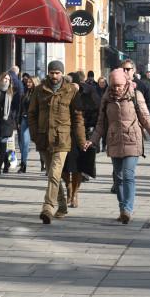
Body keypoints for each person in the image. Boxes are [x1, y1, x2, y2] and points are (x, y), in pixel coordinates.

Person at [89, 68, 150, 224]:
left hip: (132, 139)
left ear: (126, 82)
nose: (116, 88)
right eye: (113, 86)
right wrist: (92, 140)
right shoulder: (107, 98)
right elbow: (101, 123)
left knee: (128, 174)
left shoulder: (135, 95)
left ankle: (128, 209)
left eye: (119, 85)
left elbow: (145, 118)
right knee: (118, 177)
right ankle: (122, 209)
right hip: (114, 140)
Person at [28, 60, 88, 224]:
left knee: (54, 173)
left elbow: (77, 118)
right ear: (48, 73)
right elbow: (31, 114)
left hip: (62, 139)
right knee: (52, 175)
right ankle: (62, 206)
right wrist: (34, 134)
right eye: (52, 72)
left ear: (62, 74)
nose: (54, 76)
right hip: (43, 138)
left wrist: (82, 140)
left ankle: (47, 207)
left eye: (57, 73)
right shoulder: (39, 90)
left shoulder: (70, 91)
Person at [62, 72, 95, 208]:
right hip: (63, 134)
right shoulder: (62, 94)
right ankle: (68, 186)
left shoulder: (86, 93)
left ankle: (75, 193)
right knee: (64, 168)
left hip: (80, 134)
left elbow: (95, 108)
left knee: (77, 167)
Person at [18, 77, 40, 173]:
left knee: (40, 143)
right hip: (25, 119)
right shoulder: (25, 94)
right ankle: (23, 164)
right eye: (27, 82)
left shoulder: (39, 94)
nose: (28, 83)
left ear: (35, 83)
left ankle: (44, 164)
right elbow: (20, 108)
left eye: (30, 82)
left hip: (36, 121)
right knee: (25, 143)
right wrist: (19, 121)